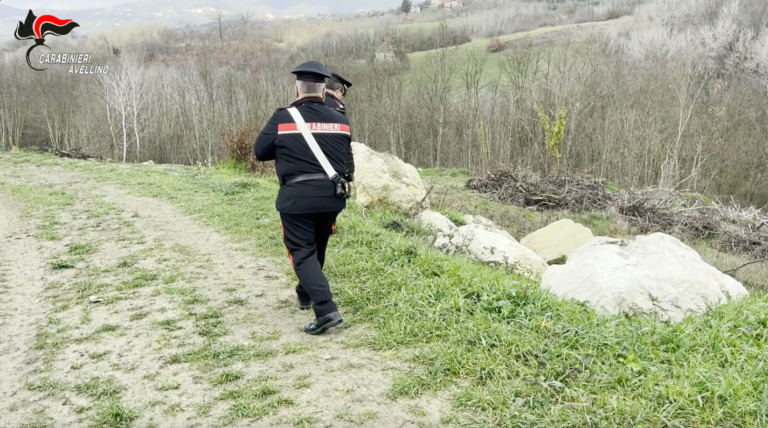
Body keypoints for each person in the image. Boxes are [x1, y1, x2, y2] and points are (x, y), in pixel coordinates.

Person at [254, 61, 354, 335]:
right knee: (317, 246)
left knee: (301, 251)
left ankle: (326, 309)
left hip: (296, 198)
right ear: (324, 92)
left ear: (297, 90)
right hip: (332, 197)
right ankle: (305, 291)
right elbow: (347, 161)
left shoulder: (283, 118)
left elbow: (260, 152)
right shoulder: (341, 120)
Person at [324, 72, 352, 236]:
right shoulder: (336, 107)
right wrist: (349, 169)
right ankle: (329, 227)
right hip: (333, 158)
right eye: (342, 93)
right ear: (337, 90)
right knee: (334, 193)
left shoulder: (314, 101)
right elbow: (345, 140)